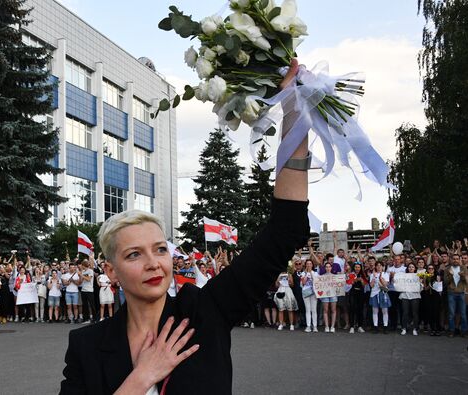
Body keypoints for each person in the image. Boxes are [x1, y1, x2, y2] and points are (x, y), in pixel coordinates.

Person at [60, 60, 309, 394]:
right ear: (111, 270)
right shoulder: (87, 346)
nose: (153, 263)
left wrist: (294, 109)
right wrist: (142, 376)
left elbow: (285, 231)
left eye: (160, 249)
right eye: (134, 254)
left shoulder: (206, 313)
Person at [443, 254, 467, 337]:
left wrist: (463, 275)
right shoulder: (447, 269)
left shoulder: (463, 268)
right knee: (451, 314)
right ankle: (452, 331)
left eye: (457, 259)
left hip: (461, 293)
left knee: (463, 314)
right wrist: (450, 275)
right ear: (451, 260)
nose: (455, 260)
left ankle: (463, 331)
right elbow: (445, 282)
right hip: (451, 293)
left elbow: (466, 281)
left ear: (459, 260)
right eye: (454, 259)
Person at [399, 262, 422, 336]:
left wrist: (421, 283)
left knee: (415, 313)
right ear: (407, 268)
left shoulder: (418, 276)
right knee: (405, 313)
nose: (411, 268)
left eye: (412, 267)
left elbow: (421, 288)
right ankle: (404, 328)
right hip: (405, 296)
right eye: (409, 267)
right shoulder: (404, 276)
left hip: (415, 296)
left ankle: (415, 328)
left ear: (415, 268)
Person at [369, 262, 391, 334]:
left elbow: (385, 284)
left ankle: (385, 326)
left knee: (384, 311)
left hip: (383, 293)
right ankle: (375, 326)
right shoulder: (372, 274)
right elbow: (371, 285)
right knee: (375, 311)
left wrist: (381, 278)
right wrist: (374, 277)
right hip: (374, 294)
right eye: (377, 265)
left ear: (383, 267)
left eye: (380, 265)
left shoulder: (386, 274)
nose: (379, 267)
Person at [422, 264, 442, 336]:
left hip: (436, 296)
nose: (430, 270)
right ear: (427, 270)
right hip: (428, 296)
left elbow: (439, 288)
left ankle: (437, 329)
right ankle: (432, 329)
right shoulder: (425, 276)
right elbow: (425, 288)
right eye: (429, 268)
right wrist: (429, 286)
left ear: (434, 269)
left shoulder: (437, 276)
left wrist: (435, 284)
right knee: (430, 312)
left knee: (436, 312)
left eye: (432, 268)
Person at [348, 262, 367, 333]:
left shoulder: (363, 274)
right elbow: (348, 283)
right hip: (353, 292)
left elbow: (365, 284)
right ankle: (352, 326)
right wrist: (354, 280)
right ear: (354, 268)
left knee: (360, 309)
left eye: (358, 267)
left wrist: (361, 280)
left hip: (361, 293)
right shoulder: (351, 274)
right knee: (352, 309)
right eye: (356, 267)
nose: (357, 269)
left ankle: (360, 326)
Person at [300, 259, 318, 332]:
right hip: (306, 292)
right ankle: (308, 326)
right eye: (307, 264)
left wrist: (311, 273)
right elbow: (303, 283)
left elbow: (317, 282)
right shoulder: (303, 273)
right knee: (308, 309)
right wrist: (306, 274)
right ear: (305, 265)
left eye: (310, 264)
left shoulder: (315, 273)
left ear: (312, 265)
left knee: (314, 310)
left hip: (314, 293)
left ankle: (315, 326)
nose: (309, 265)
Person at [320, 262, 337, 333]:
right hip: (325, 295)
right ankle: (327, 326)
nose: (328, 268)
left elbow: (338, 286)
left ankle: (332, 326)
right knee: (325, 310)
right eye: (326, 267)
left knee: (333, 310)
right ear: (325, 268)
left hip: (333, 294)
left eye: (329, 267)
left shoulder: (335, 276)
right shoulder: (321, 277)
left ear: (331, 268)